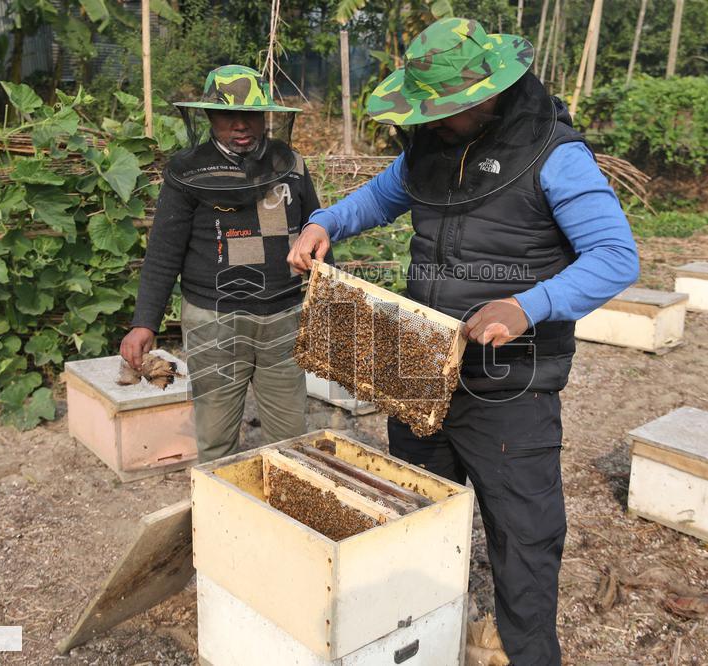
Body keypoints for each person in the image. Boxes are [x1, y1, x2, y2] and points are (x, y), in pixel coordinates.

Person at [288, 18, 639, 665]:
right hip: (420, 371)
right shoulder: (428, 146)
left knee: (523, 535)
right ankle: (421, 641)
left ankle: (527, 650)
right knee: (416, 515)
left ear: (489, 91)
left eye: (443, 107)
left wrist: (528, 305)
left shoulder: (555, 154)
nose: (434, 118)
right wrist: (324, 222)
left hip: (512, 386)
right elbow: (379, 199)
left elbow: (617, 257)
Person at [122, 65, 320, 462]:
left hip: (283, 316)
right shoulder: (186, 172)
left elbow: (318, 232)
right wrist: (145, 322)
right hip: (213, 320)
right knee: (215, 439)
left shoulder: (291, 164)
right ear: (209, 117)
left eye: (249, 115)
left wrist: (334, 306)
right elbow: (163, 252)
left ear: (265, 116)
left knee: (291, 440)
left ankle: (286, 518)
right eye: (227, 115)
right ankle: (221, 516)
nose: (240, 125)